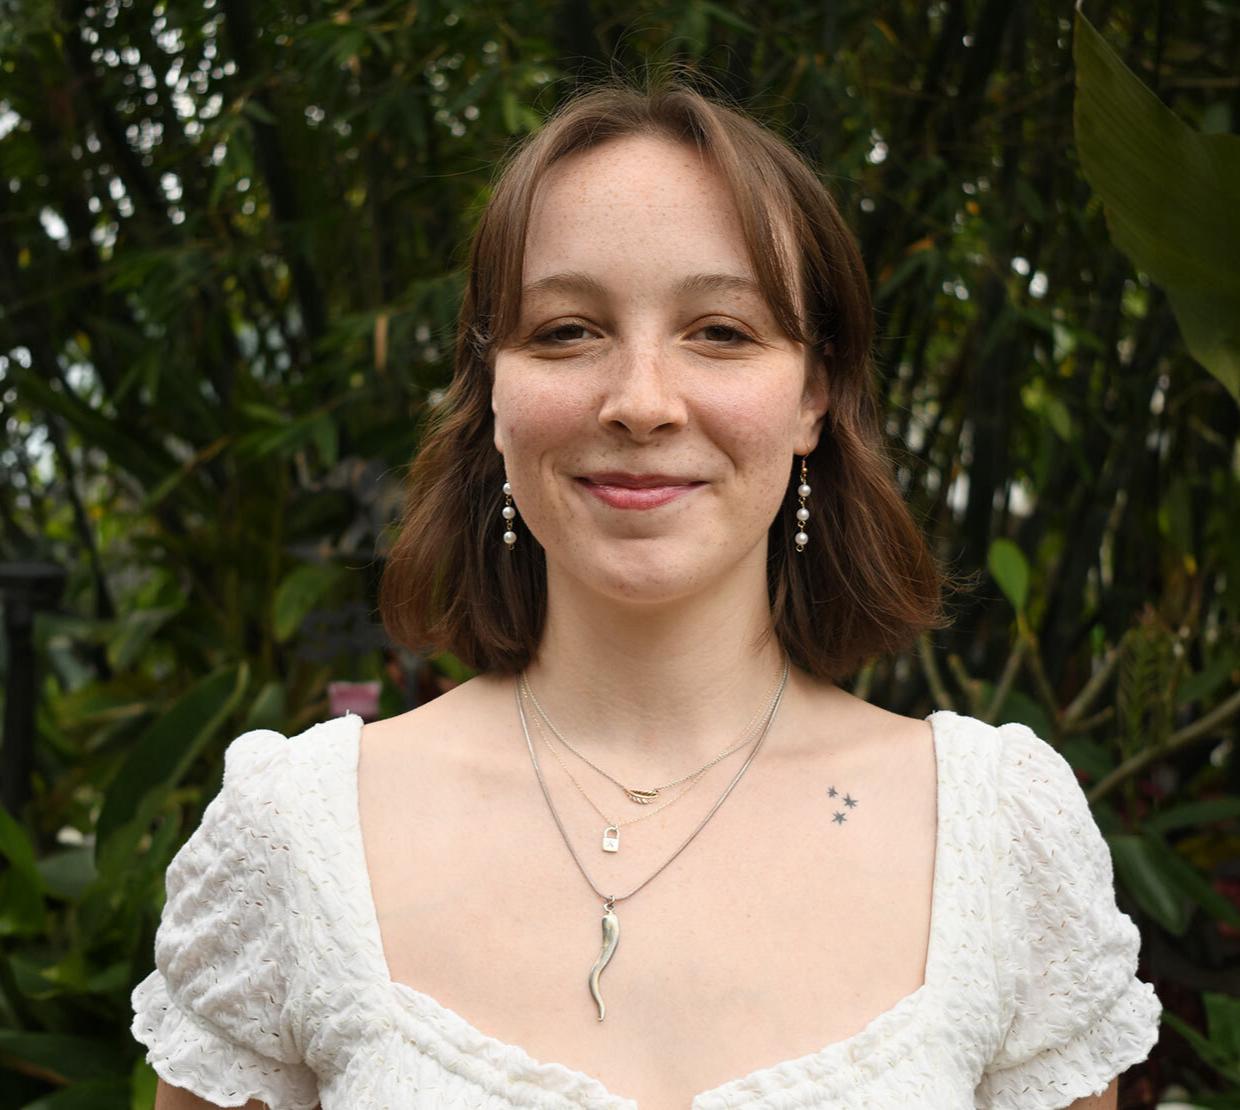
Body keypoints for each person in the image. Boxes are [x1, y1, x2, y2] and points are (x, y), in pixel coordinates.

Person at [130, 73, 1162, 1110]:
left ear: (814, 394)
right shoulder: (297, 838)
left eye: (720, 331)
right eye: (566, 331)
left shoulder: (993, 839)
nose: (639, 402)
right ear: (494, 391)